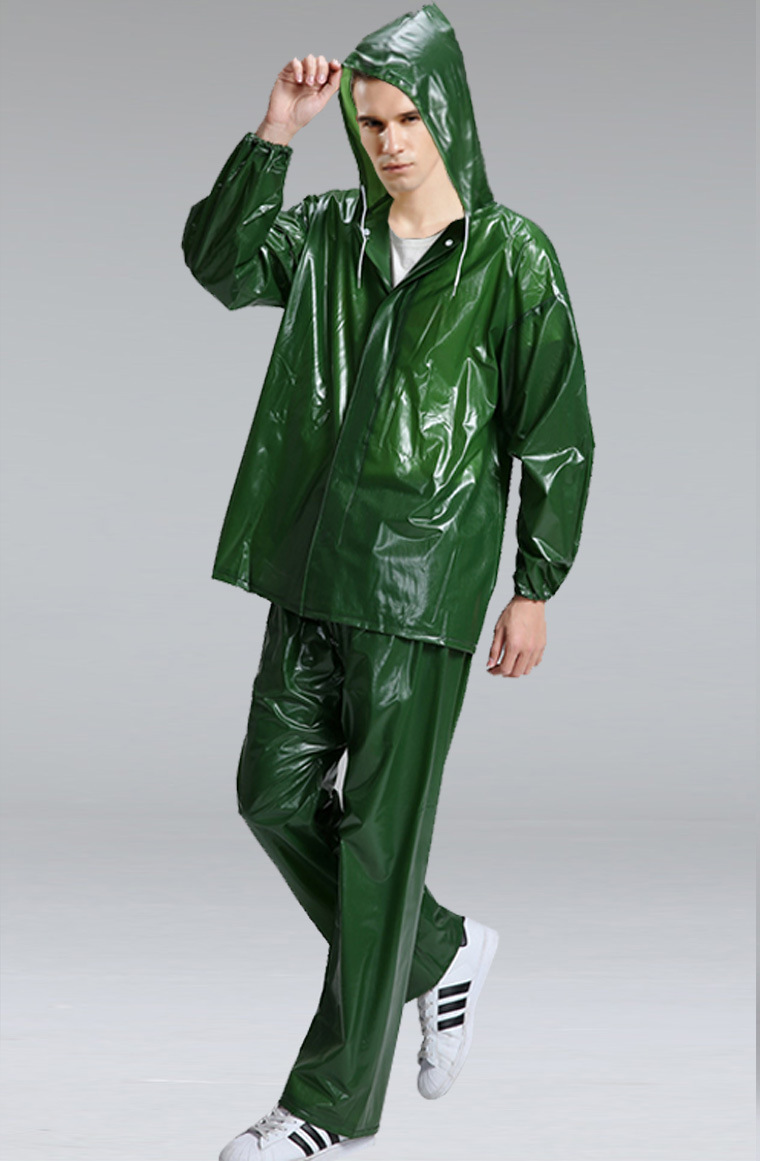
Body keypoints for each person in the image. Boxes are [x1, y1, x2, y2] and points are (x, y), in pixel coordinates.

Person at [182, 4, 594, 1158]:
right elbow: (220, 264)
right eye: (369, 123)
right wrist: (277, 129)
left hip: (421, 586)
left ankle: (325, 1112)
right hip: (310, 568)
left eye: (408, 117)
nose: (390, 141)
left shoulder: (509, 256)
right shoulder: (327, 234)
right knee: (271, 796)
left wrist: (534, 583)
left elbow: (556, 431)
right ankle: (440, 949)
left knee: (374, 847)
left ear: (447, 113)